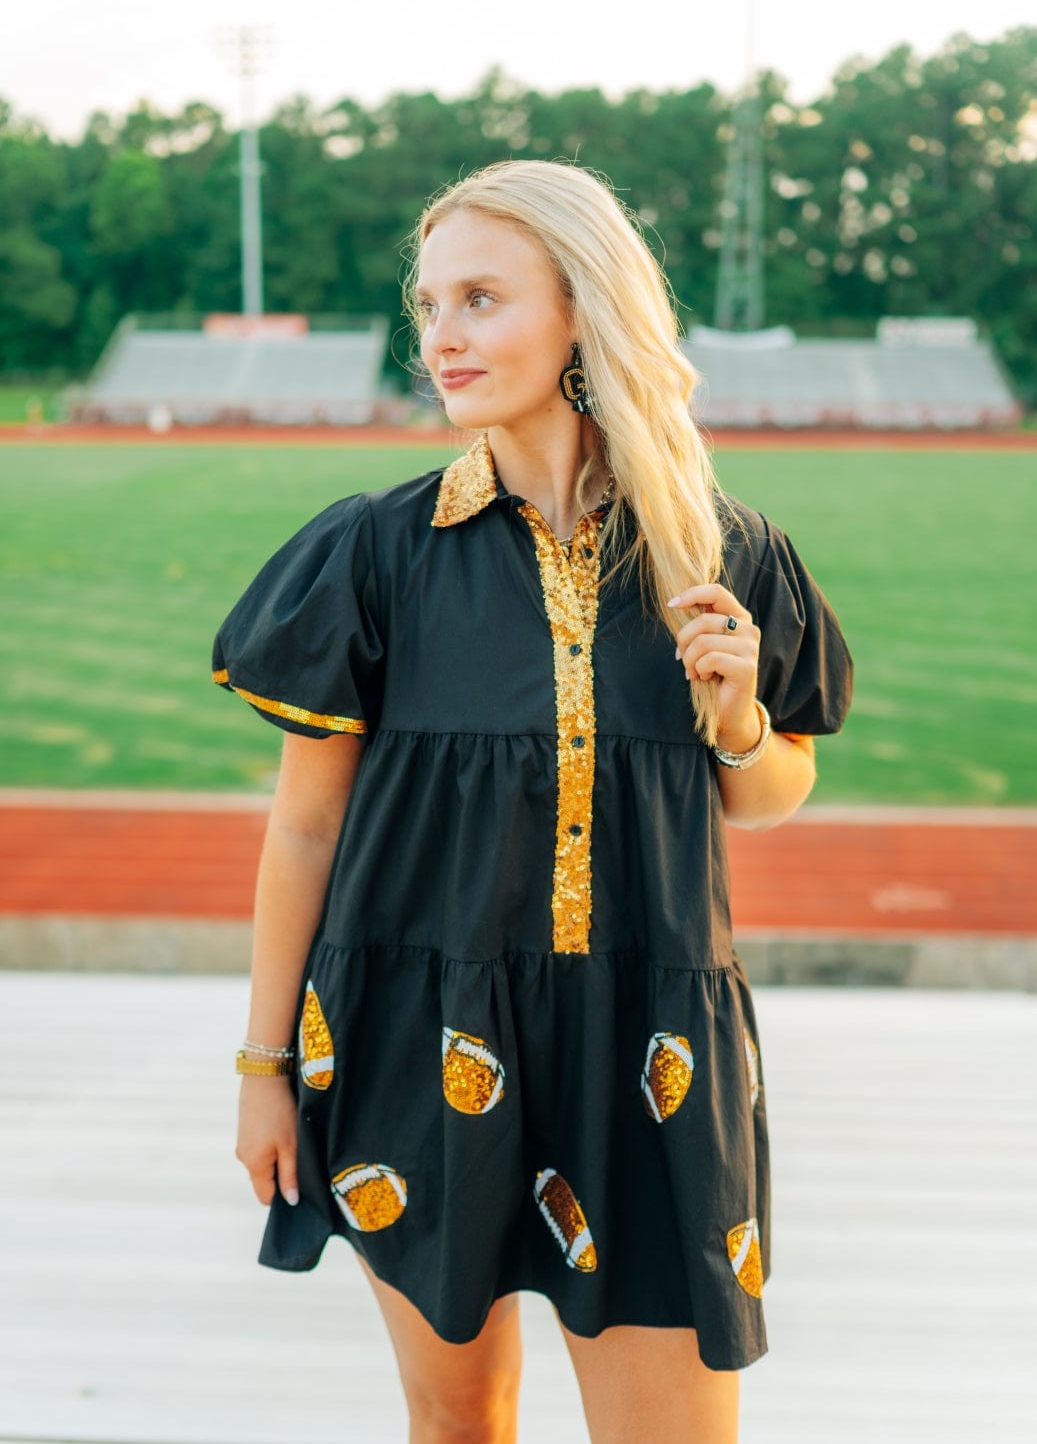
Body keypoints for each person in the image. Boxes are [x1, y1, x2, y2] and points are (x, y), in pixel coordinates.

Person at [213, 160, 852, 1444]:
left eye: (482, 298)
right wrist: (265, 1066)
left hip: (651, 1040)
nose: (440, 336)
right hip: (416, 1031)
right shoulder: (374, 552)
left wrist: (733, 721)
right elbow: (306, 827)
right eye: (430, 303)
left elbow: (773, 786)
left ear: (583, 311)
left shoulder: (719, 549)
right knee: (460, 1429)